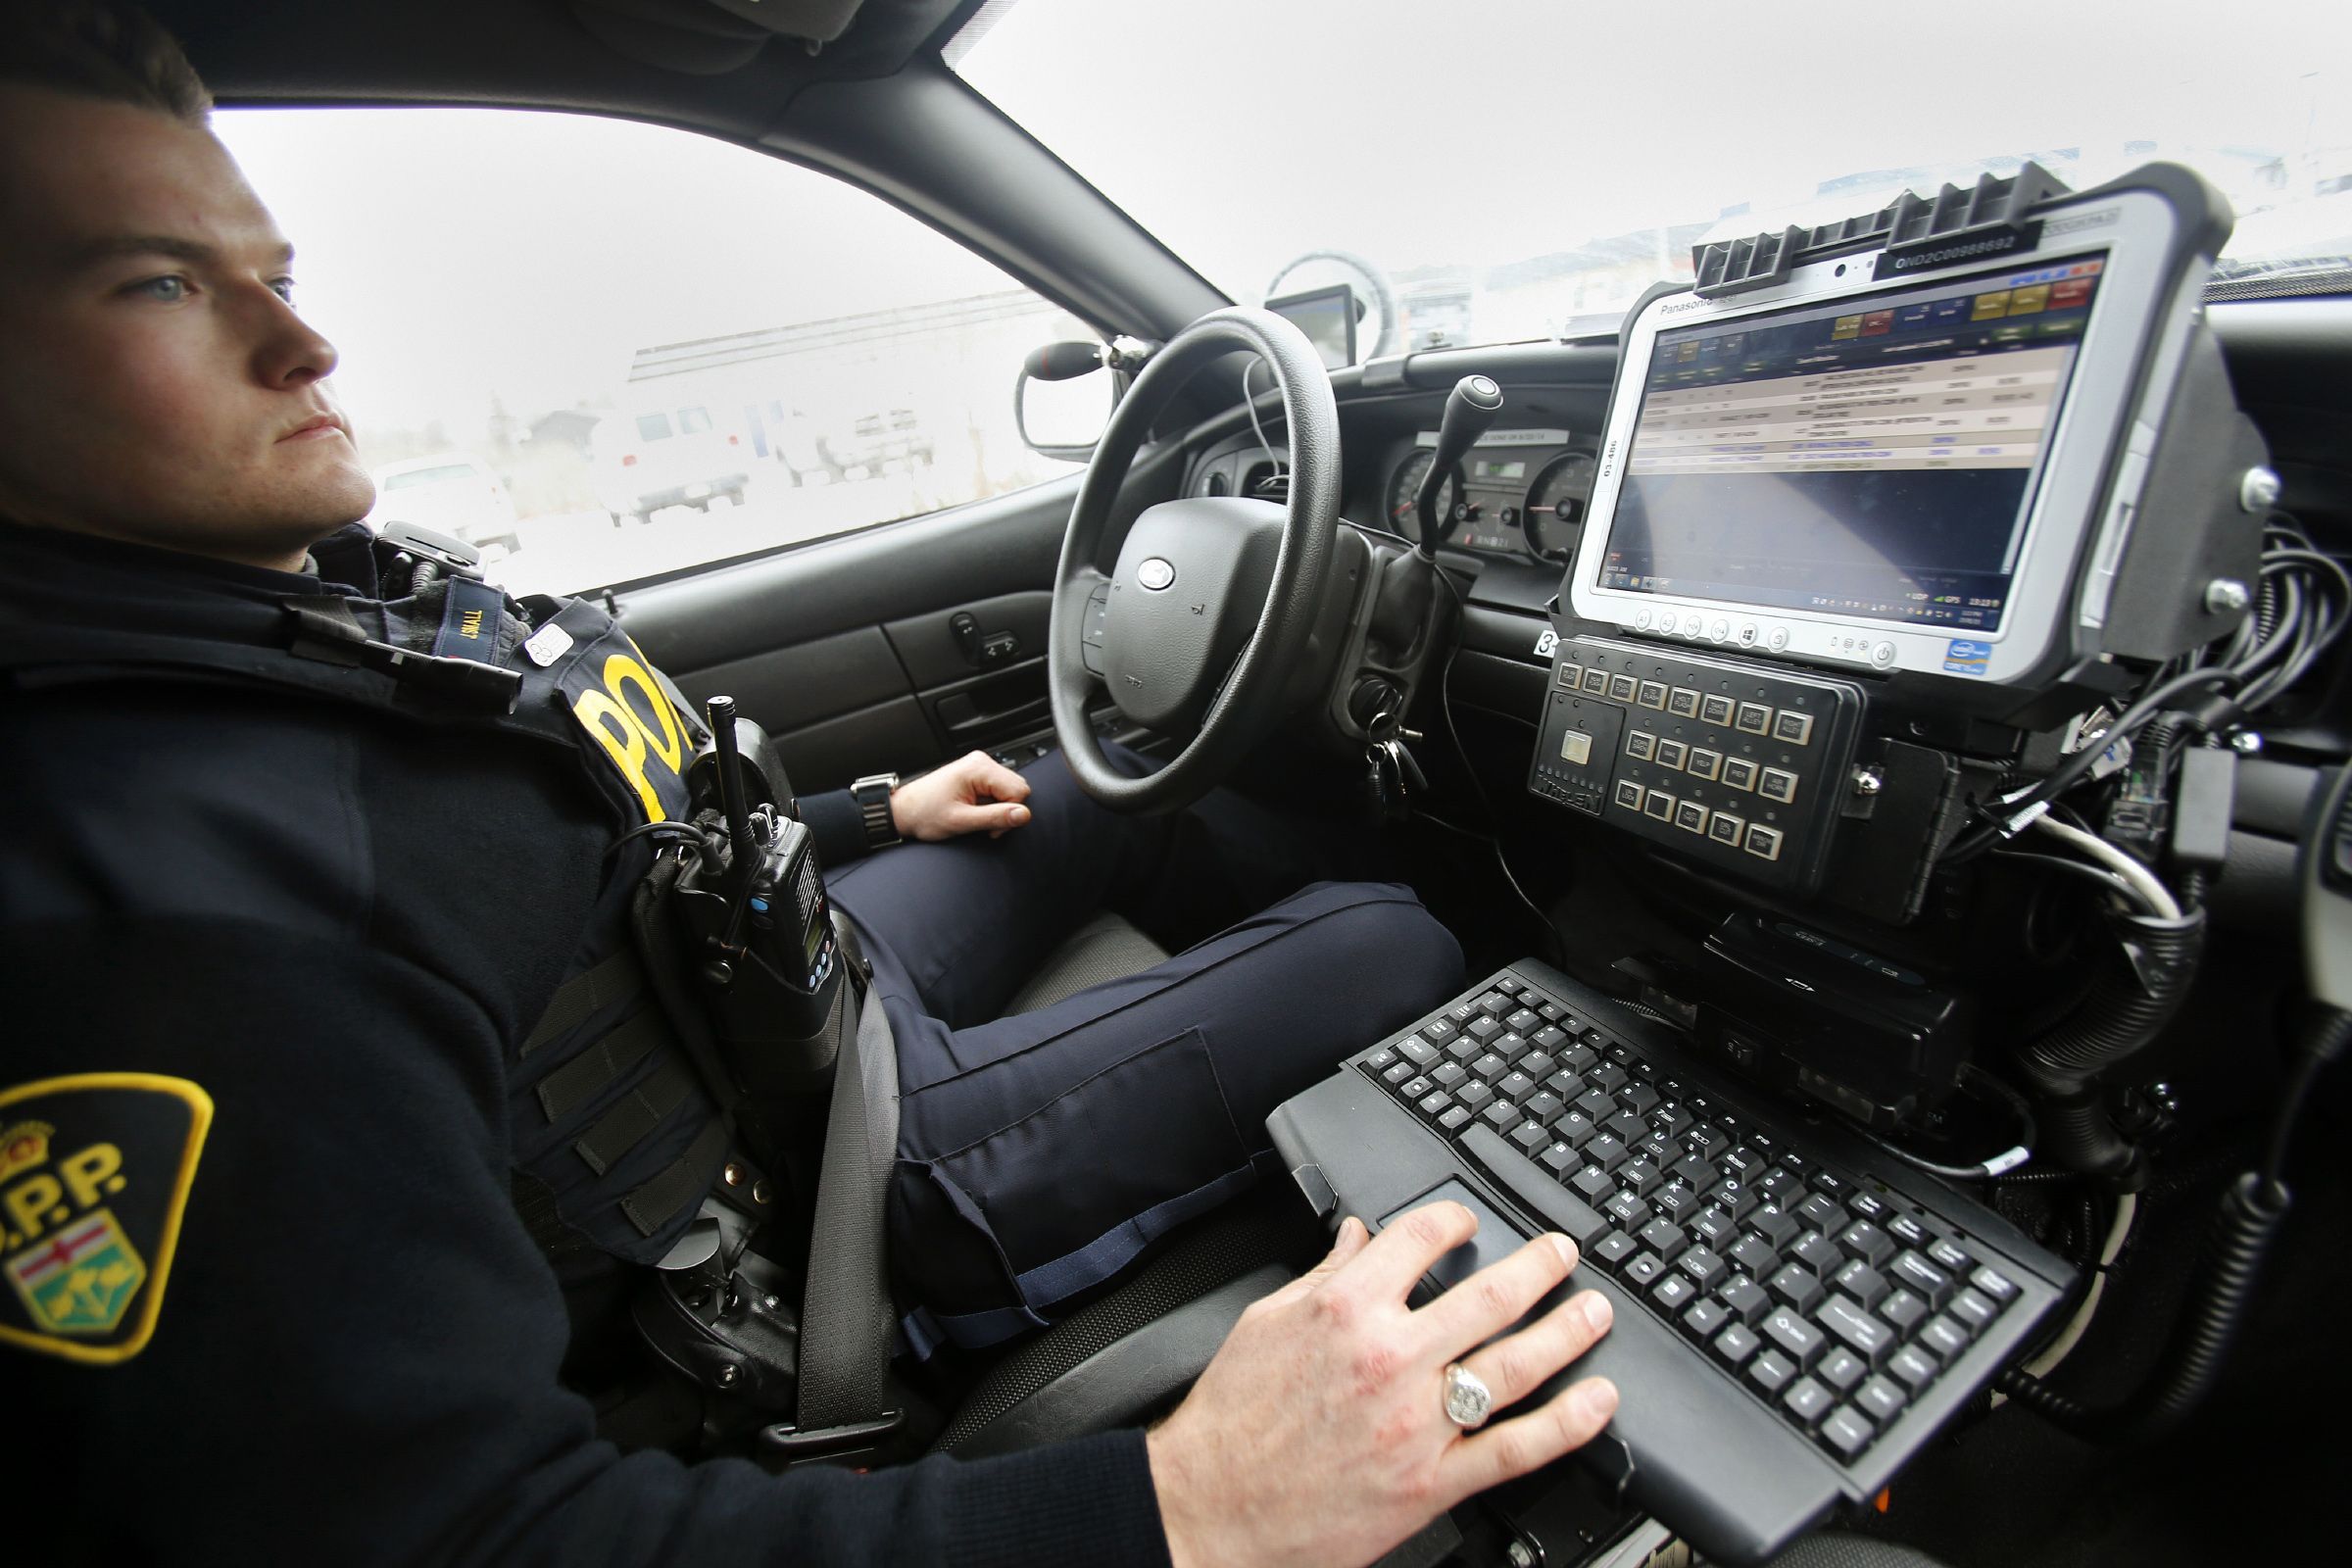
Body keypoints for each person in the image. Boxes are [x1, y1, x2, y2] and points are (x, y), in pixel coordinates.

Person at [0, 4, 1622, 1563]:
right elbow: (461, 1535)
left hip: (783, 988)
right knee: (1397, 940)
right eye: (157, 285)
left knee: (1124, 791)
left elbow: (579, 831)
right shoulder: (161, 924)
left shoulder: (293, 610)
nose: (303, 338)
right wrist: (1184, 1510)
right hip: (823, 1211)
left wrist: (869, 817)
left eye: (268, 272)